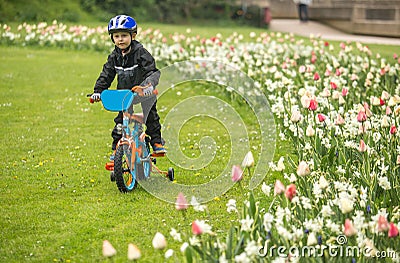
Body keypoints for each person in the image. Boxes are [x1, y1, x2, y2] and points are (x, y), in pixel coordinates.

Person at [91, 15, 166, 160]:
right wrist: (98, 91)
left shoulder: (140, 53)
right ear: (112, 38)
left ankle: (156, 141)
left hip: (143, 93)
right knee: (120, 123)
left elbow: (152, 71)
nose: (120, 39)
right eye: (116, 36)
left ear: (133, 35)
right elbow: (106, 74)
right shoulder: (114, 57)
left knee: (150, 116)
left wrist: (148, 86)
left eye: (124, 35)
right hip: (124, 96)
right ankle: (117, 149)